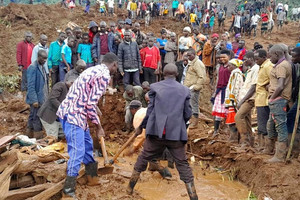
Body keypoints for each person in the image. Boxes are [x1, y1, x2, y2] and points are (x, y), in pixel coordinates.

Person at [126, 63, 198, 200]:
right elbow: (188, 113)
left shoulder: (155, 87)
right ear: (177, 74)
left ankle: (129, 189)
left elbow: (150, 111)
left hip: (157, 134)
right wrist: (177, 123)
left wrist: (141, 127)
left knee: (143, 158)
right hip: (176, 135)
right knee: (183, 164)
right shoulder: (184, 90)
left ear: (163, 74)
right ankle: (194, 197)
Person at [57, 53, 119, 199]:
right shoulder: (104, 76)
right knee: (77, 151)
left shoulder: (92, 69)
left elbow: (85, 95)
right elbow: (90, 103)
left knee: (87, 145)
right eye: (117, 67)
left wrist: (95, 108)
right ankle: (68, 190)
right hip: (73, 115)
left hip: (77, 113)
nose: (116, 70)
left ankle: (92, 177)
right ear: (114, 64)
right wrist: (98, 127)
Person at [265, 44, 292, 163]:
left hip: (278, 99)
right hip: (277, 98)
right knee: (271, 124)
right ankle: (270, 149)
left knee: (280, 126)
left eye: (270, 56)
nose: (269, 59)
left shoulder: (281, 66)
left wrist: (272, 98)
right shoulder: (283, 64)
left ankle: (280, 156)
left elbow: (280, 86)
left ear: (276, 54)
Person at [235, 52, 259, 147]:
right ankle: (250, 142)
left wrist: (242, 100)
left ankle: (244, 140)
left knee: (238, 117)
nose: (244, 61)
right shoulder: (250, 70)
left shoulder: (256, 69)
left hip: (250, 99)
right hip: (246, 98)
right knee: (247, 120)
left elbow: (253, 87)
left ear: (251, 59)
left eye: (245, 59)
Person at [26, 50, 48, 139]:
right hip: (36, 98)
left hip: (41, 97)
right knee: (37, 117)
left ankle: (29, 135)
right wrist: (34, 100)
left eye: (46, 59)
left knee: (32, 116)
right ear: (38, 57)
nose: (45, 61)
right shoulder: (33, 67)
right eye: (43, 59)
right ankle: (38, 137)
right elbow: (30, 86)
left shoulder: (41, 66)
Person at [254, 49, 273, 151]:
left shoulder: (268, 66)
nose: (255, 61)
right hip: (260, 98)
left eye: (257, 59)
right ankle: (262, 146)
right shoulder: (262, 66)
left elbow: (273, 79)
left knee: (264, 124)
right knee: (261, 124)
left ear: (264, 57)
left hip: (264, 99)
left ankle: (267, 147)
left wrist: (268, 87)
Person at [184, 48, 206, 129]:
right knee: (189, 104)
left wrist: (195, 87)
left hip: (193, 88)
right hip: (189, 88)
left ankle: (195, 122)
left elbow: (202, 77)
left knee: (193, 104)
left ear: (194, 54)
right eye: (187, 55)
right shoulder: (192, 63)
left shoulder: (198, 63)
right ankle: (190, 120)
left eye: (189, 55)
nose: (188, 57)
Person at [211, 49, 232, 136]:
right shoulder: (220, 66)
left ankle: (228, 131)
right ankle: (216, 130)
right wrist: (215, 92)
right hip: (219, 91)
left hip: (227, 91)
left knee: (228, 111)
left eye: (224, 57)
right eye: (220, 57)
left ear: (229, 57)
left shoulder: (231, 67)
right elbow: (218, 80)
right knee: (218, 112)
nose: (222, 59)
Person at [224, 59, 244, 143]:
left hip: (233, 101)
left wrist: (232, 100)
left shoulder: (236, 74)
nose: (228, 67)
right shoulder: (234, 73)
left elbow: (235, 88)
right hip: (232, 100)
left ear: (234, 66)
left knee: (232, 121)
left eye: (229, 65)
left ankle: (234, 138)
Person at [287, 47, 300, 158]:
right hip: (297, 99)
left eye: (294, 56)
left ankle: (295, 151)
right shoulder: (297, 66)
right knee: (291, 118)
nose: (292, 58)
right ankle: (294, 150)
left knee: (291, 118)